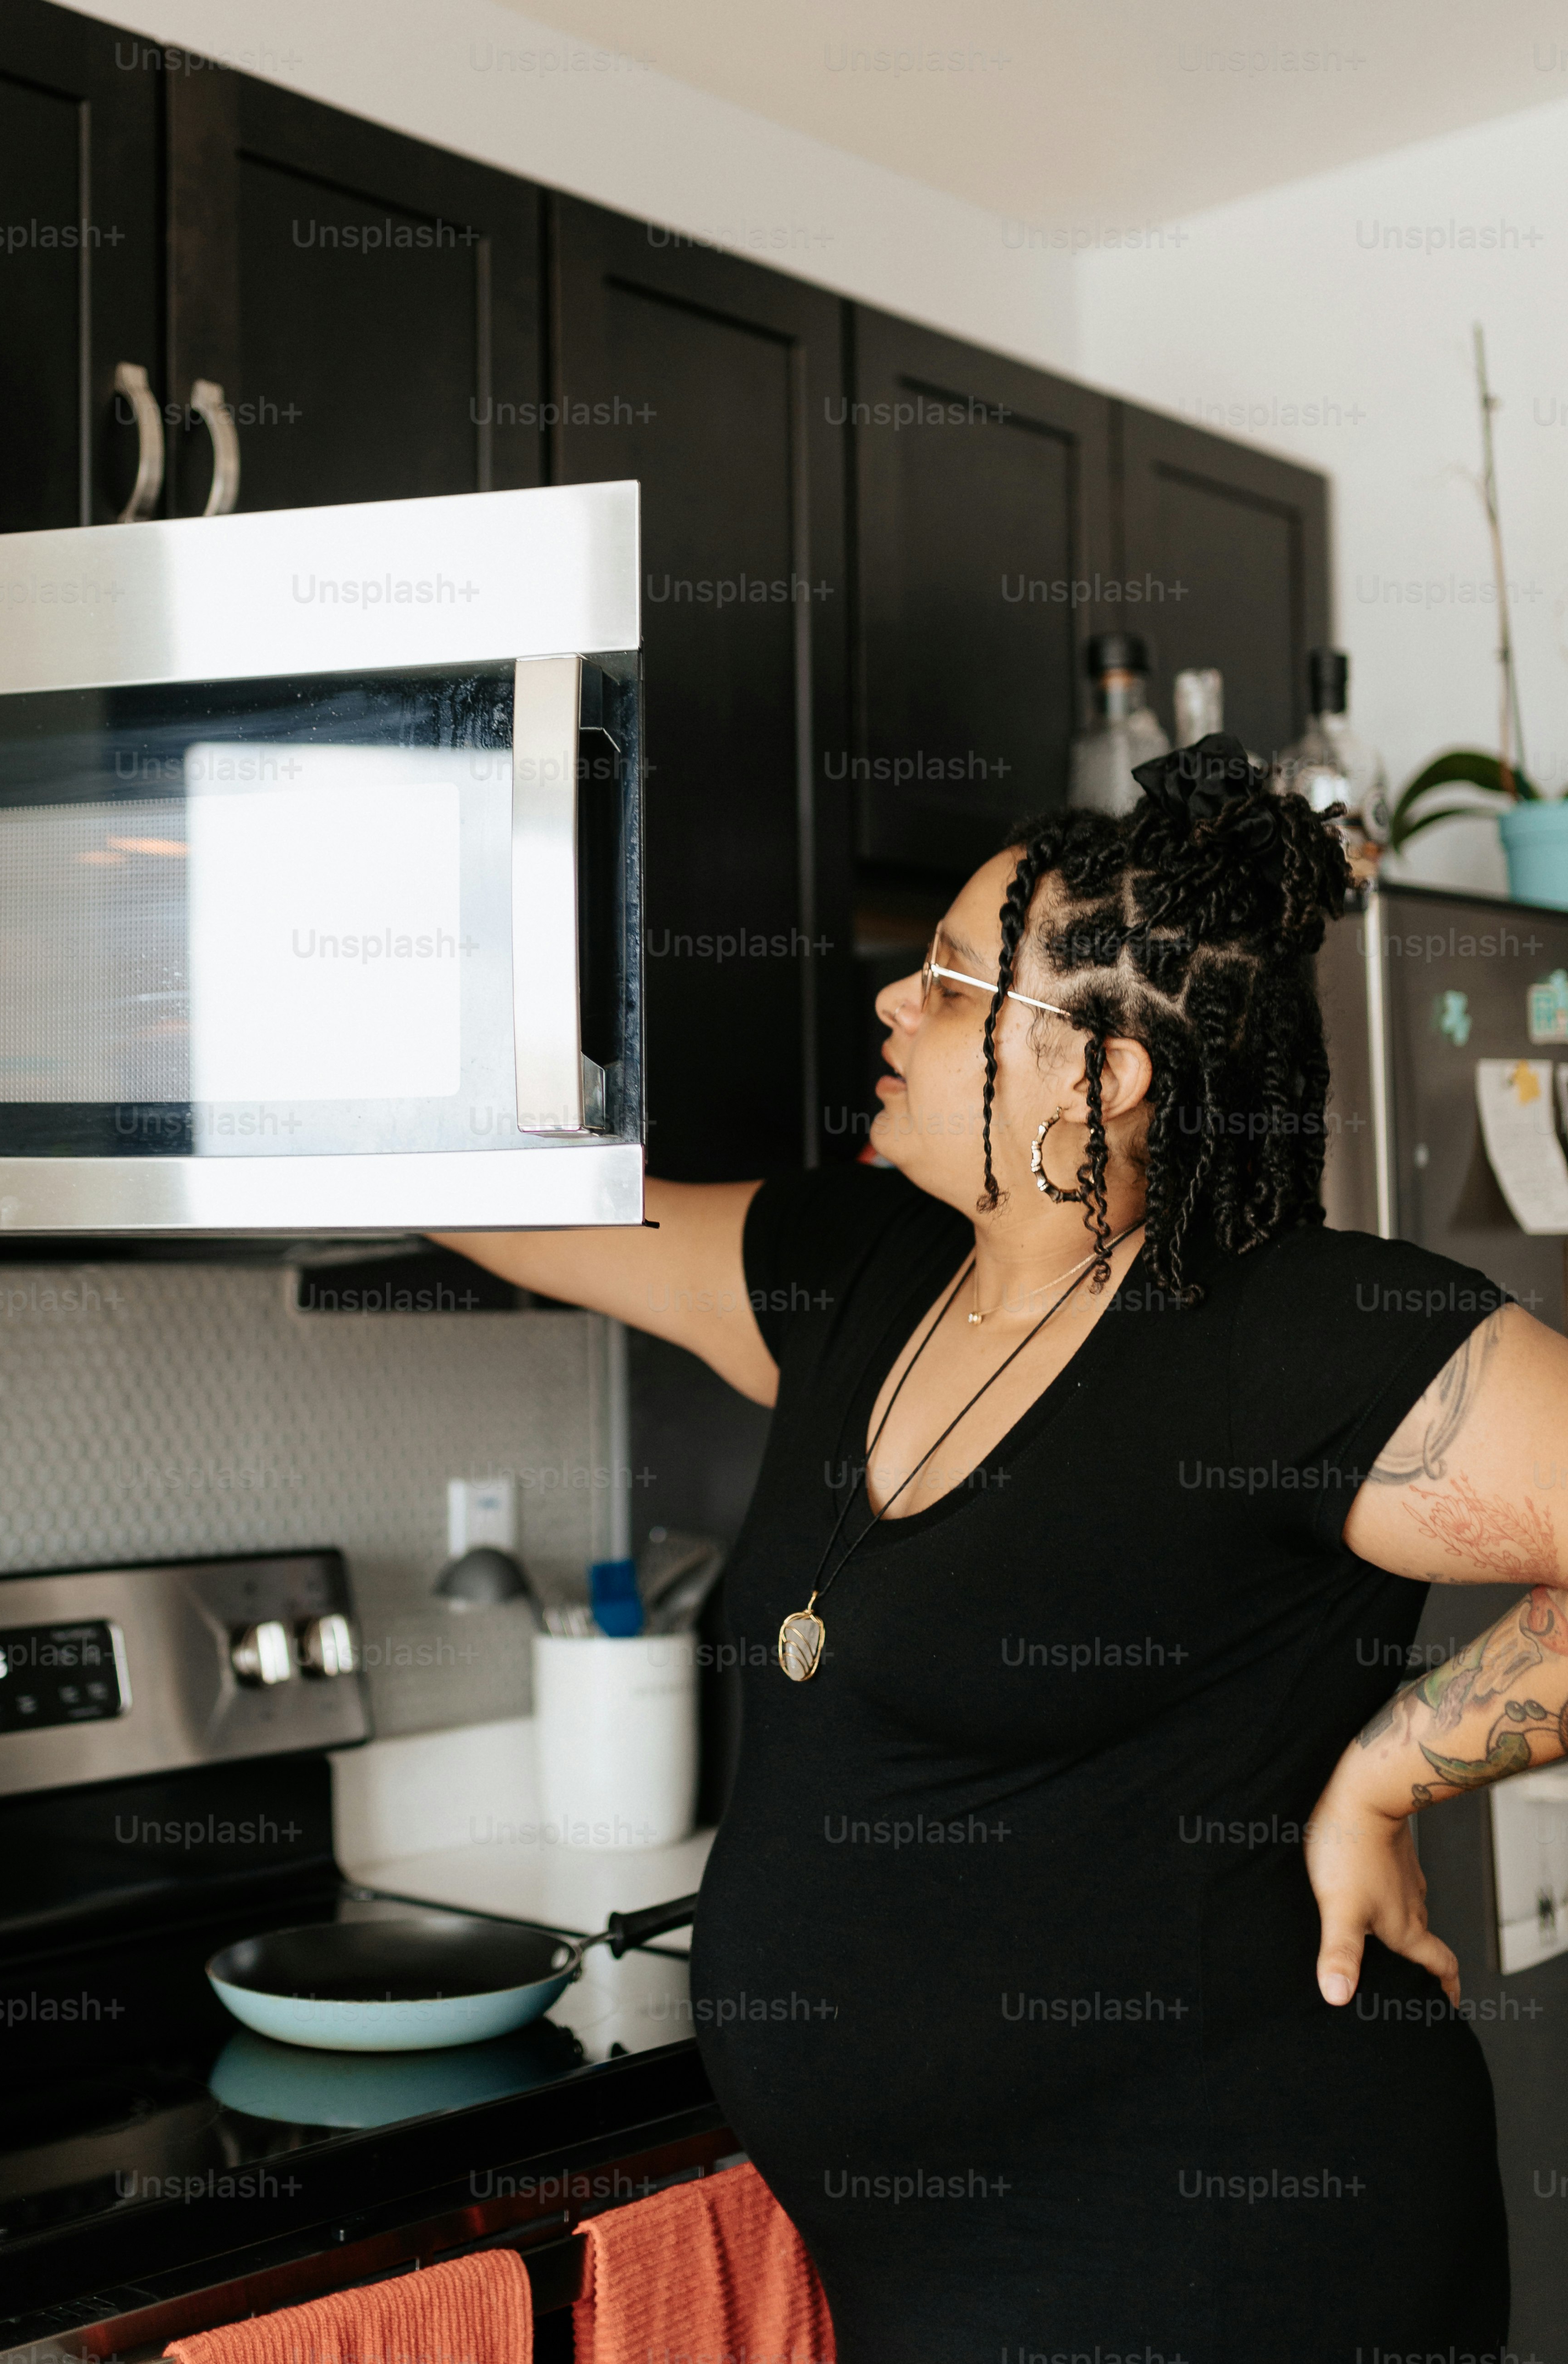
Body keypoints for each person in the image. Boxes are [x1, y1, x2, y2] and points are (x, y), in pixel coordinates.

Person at [436, 736, 1567, 2362]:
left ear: (1103, 1075)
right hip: (940, 2279)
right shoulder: (864, 1269)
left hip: (1243, 2264)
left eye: (957, 985)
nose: (896, 1003)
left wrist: (1396, 1767)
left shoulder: (1286, 1334)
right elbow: (522, 1213)